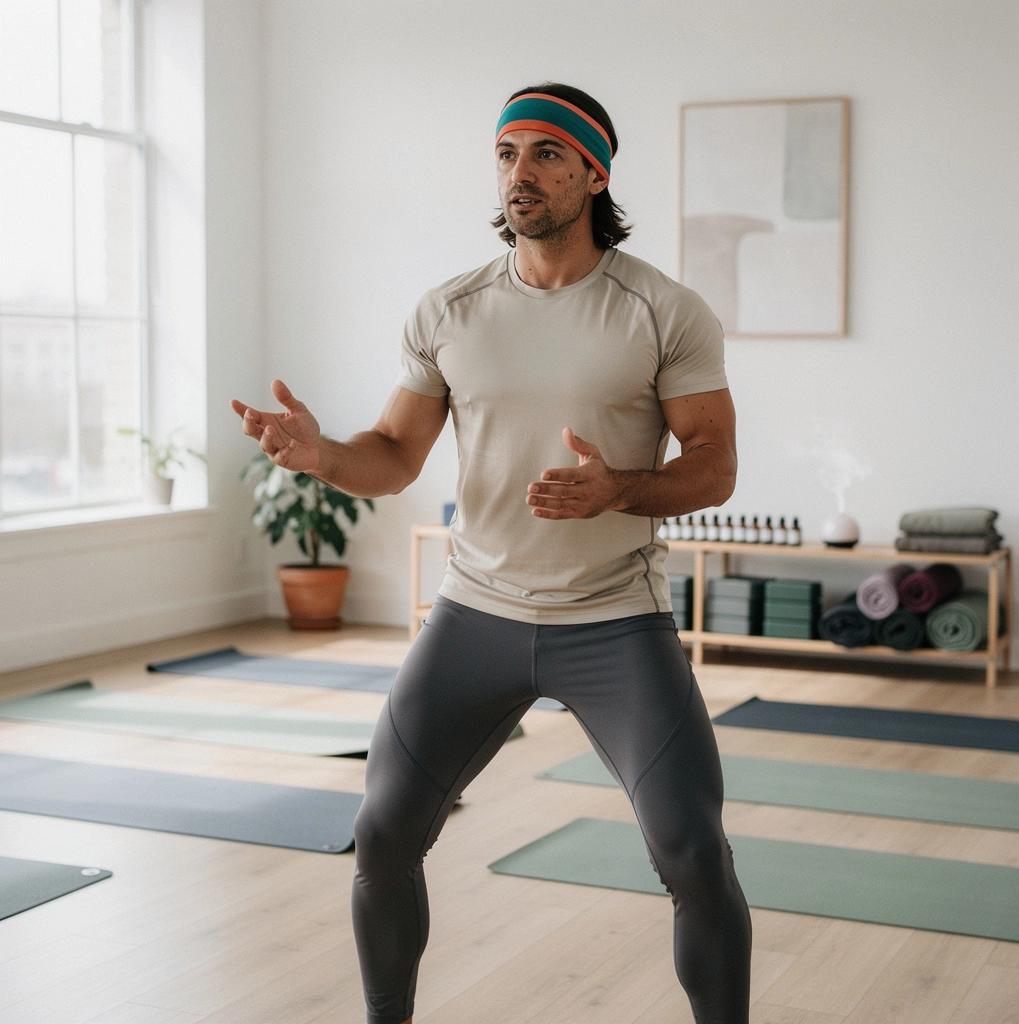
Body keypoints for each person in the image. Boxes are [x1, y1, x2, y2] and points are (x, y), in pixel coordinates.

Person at [231, 82, 751, 1024]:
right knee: (384, 835)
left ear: (594, 173)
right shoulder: (449, 311)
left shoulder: (662, 310)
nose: (522, 172)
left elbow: (713, 469)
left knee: (690, 851)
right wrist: (320, 456)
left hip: (615, 618)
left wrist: (622, 487)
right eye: (509, 152)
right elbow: (390, 459)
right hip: (478, 614)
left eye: (549, 153)